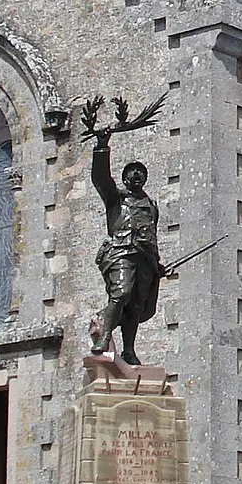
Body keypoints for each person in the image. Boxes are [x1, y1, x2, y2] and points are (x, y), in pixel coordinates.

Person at [89, 109, 162, 364]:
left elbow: (152, 237)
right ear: (124, 178)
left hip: (145, 259)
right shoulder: (116, 199)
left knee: (137, 306)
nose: (136, 175)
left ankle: (129, 350)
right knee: (121, 292)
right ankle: (105, 335)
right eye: (131, 172)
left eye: (140, 172)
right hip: (121, 252)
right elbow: (100, 178)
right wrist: (102, 145)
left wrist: (157, 265)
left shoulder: (151, 205)